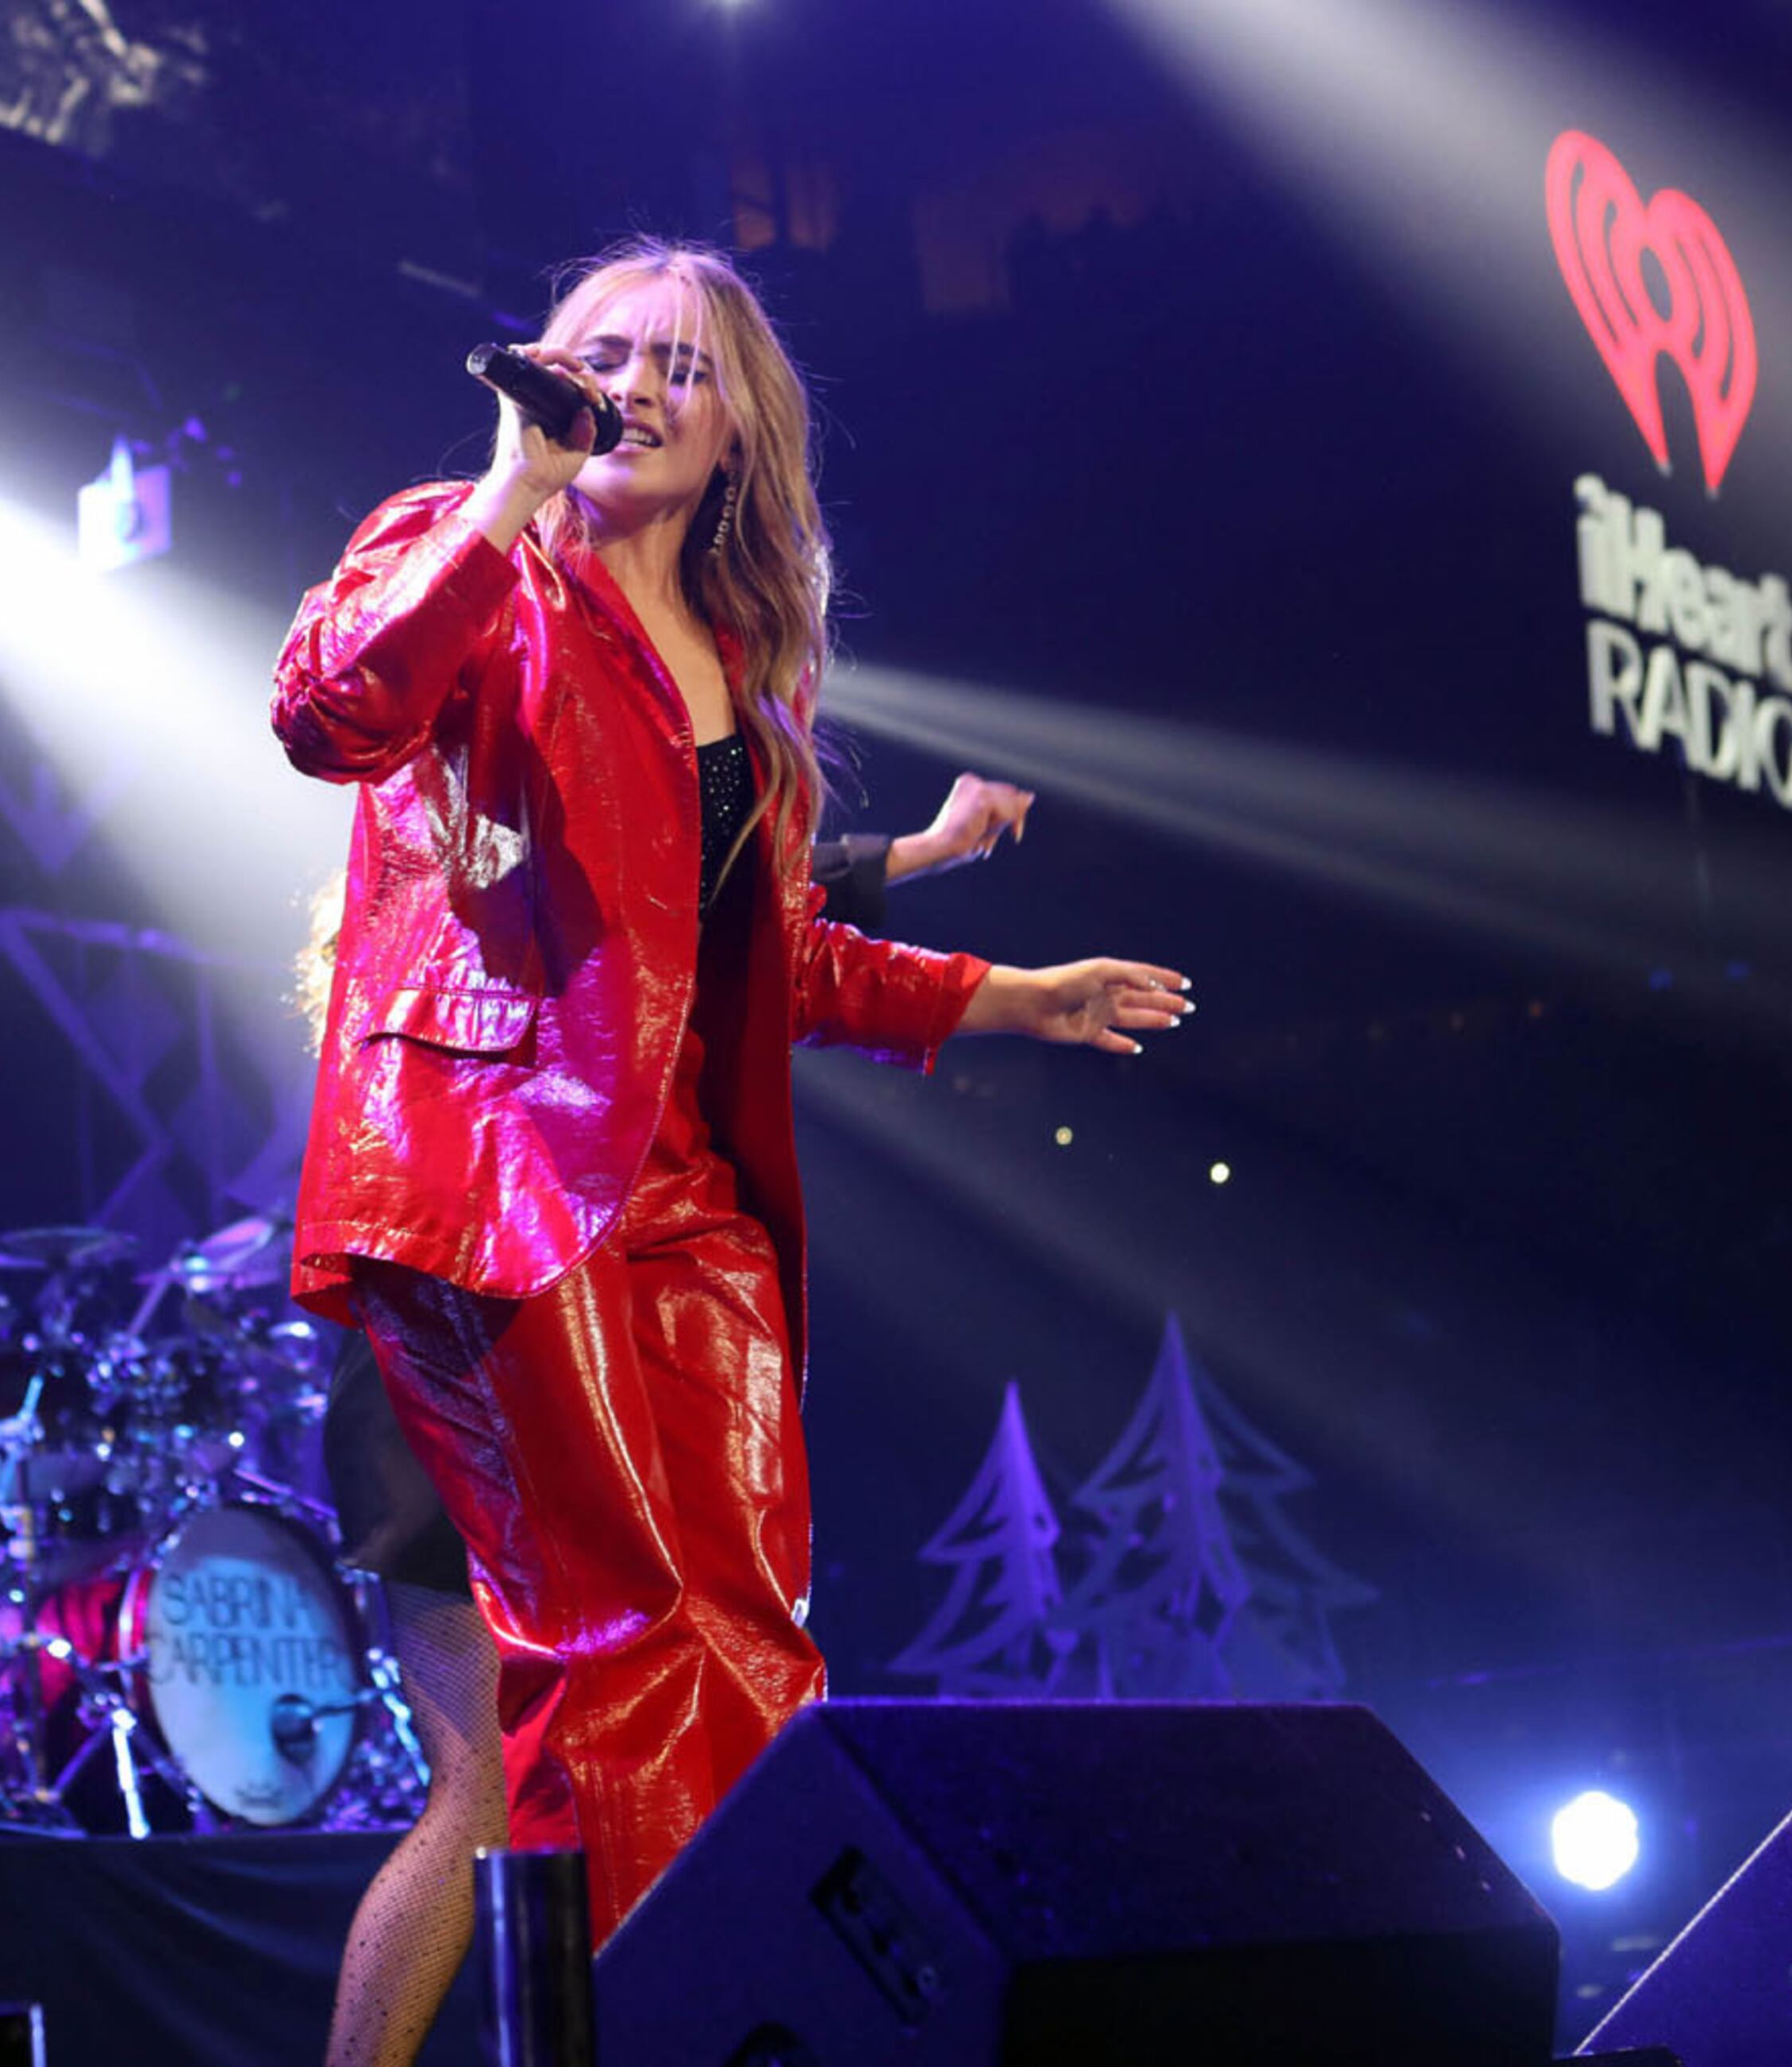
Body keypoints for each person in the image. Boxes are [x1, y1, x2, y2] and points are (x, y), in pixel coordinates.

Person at [271, 237, 1190, 1947]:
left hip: (696, 1213)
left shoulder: (746, 692)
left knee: (752, 1645)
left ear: (738, 441)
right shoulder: (462, 553)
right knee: (614, 1650)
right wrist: (501, 499)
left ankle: (740, 2002)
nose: (634, 384)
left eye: (681, 367)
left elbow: (786, 968)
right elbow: (331, 715)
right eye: (603, 351)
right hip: (496, 1180)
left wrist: (1012, 996)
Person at [309, 772, 1034, 2067]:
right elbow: (690, 899)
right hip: (467, 1374)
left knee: (541, 1770)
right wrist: (917, 858)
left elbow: (711, 900)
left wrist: (917, 858)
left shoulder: (496, 929)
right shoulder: (463, 951)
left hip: (500, 1361)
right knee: (494, 1782)